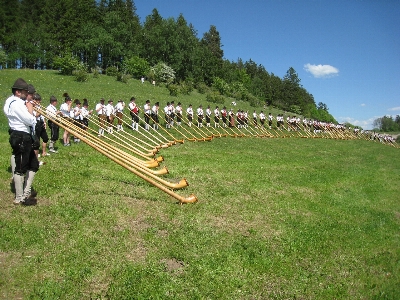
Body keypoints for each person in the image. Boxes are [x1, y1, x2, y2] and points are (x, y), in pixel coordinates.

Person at [4, 78, 39, 205]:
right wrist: (30, 109)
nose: (26, 93)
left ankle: (26, 192)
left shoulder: (12, 101)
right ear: (18, 92)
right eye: (25, 91)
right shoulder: (16, 103)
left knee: (34, 165)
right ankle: (19, 197)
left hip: (24, 136)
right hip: (21, 136)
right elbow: (30, 120)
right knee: (20, 167)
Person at [32, 93, 50, 164]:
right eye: (38, 100)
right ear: (35, 100)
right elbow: (35, 115)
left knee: (45, 138)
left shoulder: (39, 107)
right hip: (36, 124)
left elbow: (42, 116)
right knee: (37, 140)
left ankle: (44, 152)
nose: (39, 102)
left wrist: (45, 122)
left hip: (41, 123)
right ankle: (36, 155)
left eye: (39, 100)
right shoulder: (32, 107)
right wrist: (41, 112)